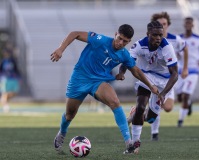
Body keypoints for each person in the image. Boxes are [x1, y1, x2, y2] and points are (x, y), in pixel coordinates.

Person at [50, 24, 159, 154]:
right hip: (79, 79)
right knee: (70, 114)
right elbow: (75, 34)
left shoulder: (124, 54)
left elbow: (135, 70)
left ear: (129, 41)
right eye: (119, 38)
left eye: (125, 41)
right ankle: (62, 133)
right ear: (115, 34)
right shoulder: (100, 40)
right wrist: (60, 49)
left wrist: (150, 85)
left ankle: (128, 142)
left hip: (98, 82)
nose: (120, 43)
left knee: (115, 101)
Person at [119, 21, 178, 153]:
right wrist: (122, 72)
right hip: (146, 78)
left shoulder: (167, 47)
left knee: (151, 118)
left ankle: (135, 115)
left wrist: (163, 94)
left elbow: (175, 74)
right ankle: (134, 144)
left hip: (163, 82)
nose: (158, 38)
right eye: (155, 35)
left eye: (160, 35)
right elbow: (127, 61)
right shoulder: (139, 45)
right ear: (148, 34)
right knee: (141, 106)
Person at [148, 12, 189, 140]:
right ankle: (154, 133)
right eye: (160, 24)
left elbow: (185, 48)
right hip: (154, 78)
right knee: (157, 104)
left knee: (168, 108)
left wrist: (185, 68)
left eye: (164, 24)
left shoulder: (175, 39)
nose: (163, 26)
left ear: (168, 25)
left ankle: (144, 112)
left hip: (169, 79)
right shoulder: (150, 41)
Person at [176, 17, 199, 127]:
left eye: (190, 23)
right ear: (184, 25)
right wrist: (176, 55)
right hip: (180, 70)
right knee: (180, 97)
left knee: (186, 95)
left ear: (193, 25)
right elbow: (174, 51)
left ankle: (180, 121)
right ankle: (189, 104)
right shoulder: (179, 39)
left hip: (193, 71)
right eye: (186, 23)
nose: (188, 25)